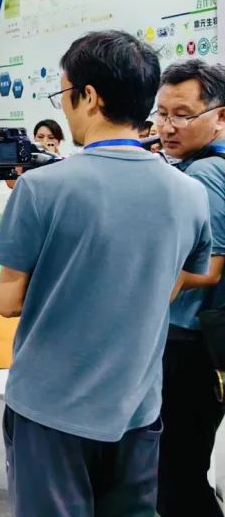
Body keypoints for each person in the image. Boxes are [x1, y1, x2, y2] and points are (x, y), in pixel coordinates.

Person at [0, 30, 212, 517]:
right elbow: (173, 285)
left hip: (50, 410)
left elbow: (6, 301)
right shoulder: (189, 193)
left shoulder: (42, 188)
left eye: (64, 94)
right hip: (137, 407)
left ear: (89, 96)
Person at [154, 59, 225, 517]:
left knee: (177, 477)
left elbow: (210, 268)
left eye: (182, 114)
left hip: (190, 342)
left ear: (219, 116)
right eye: (162, 114)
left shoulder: (204, 174)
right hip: (195, 342)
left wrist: (146, 284)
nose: (167, 127)